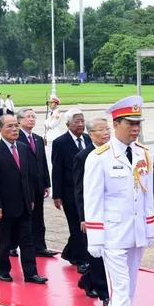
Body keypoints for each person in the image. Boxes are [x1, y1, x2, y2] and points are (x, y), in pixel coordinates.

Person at [83, 96, 154, 306]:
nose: (135, 128)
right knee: (121, 287)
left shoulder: (143, 154)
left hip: (136, 232)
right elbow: (93, 199)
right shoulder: (99, 157)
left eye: (138, 123)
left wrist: (148, 228)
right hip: (112, 233)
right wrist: (95, 236)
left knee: (130, 288)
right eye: (130, 123)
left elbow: (148, 194)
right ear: (116, 124)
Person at [0, 114, 48, 283]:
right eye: (9, 126)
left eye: (15, 126)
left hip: (25, 203)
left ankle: (31, 273)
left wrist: (31, 197)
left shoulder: (23, 148)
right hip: (6, 205)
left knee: (27, 240)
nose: (14, 129)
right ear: (0, 130)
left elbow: (27, 176)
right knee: (5, 240)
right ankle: (3, 270)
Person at [74, 115, 111, 306]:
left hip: (112, 211)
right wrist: (84, 217)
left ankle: (87, 280)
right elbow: (81, 191)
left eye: (108, 129)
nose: (106, 133)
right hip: (93, 213)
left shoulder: (114, 152)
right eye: (101, 130)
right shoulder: (84, 157)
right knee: (96, 254)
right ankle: (104, 292)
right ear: (90, 134)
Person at [51, 109, 91, 270]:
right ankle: (82, 260)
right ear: (68, 124)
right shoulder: (60, 142)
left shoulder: (88, 139)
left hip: (88, 191)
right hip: (70, 192)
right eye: (77, 122)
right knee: (76, 226)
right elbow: (57, 170)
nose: (81, 124)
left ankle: (69, 252)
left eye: (82, 121)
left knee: (86, 225)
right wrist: (57, 195)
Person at [17, 107, 57, 258]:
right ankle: (16, 245)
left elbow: (43, 163)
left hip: (38, 185)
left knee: (38, 218)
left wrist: (47, 183)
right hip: (24, 186)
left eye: (33, 117)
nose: (31, 119)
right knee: (23, 218)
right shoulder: (16, 138)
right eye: (27, 117)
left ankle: (40, 246)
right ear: (19, 120)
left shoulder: (38, 139)